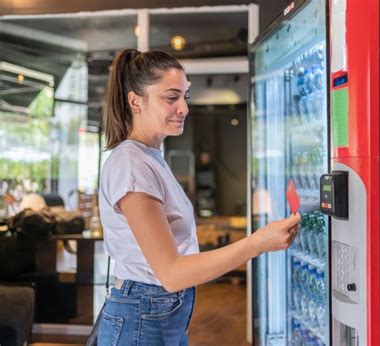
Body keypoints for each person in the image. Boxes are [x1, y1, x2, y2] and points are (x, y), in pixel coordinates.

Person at [97, 48, 300, 346]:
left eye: (185, 97)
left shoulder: (150, 157)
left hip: (156, 312)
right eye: (171, 97)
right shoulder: (132, 165)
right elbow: (172, 273)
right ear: (135, 101)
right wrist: (257, 243)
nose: (184, 108)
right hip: (143, 315)